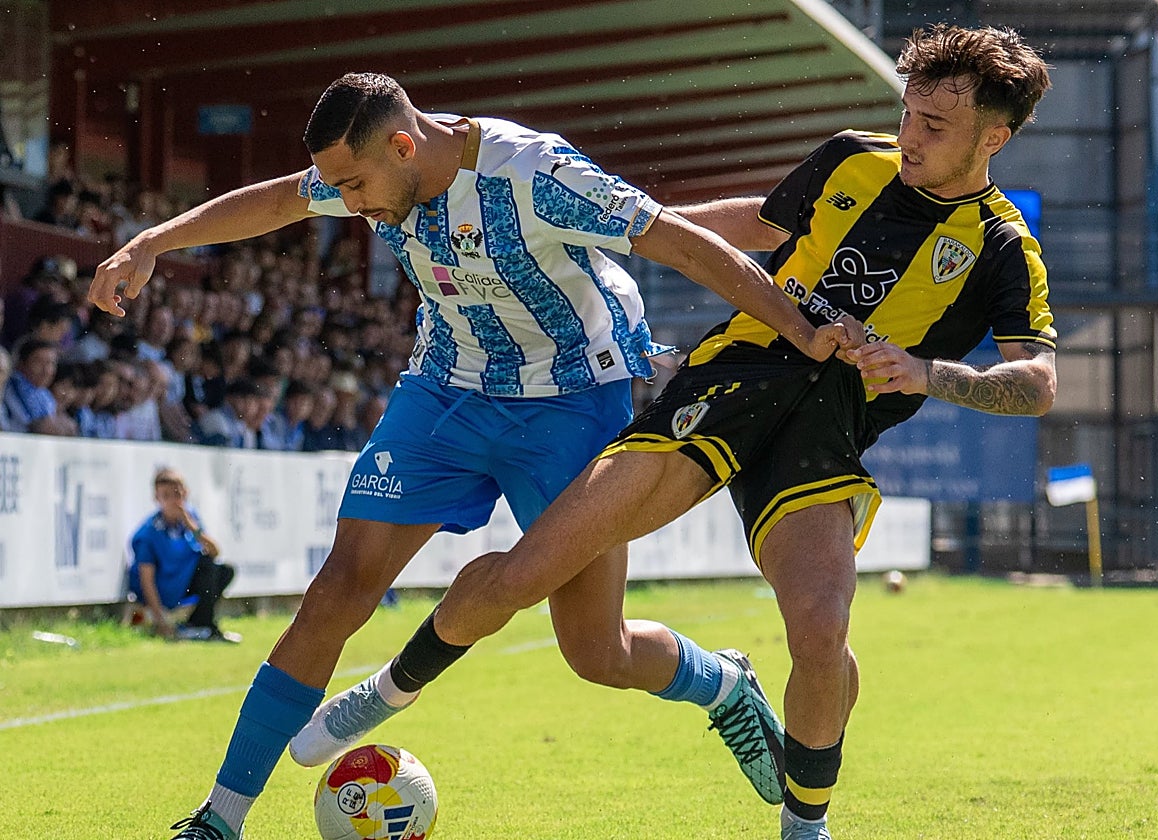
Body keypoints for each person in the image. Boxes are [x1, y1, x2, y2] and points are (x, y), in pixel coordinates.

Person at [298, 25, 1057, 840]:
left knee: (822, 630)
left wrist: (927, 373)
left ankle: (805, 826)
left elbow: (1038, 384)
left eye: (933, 126)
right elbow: (760, 224)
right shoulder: (851, 158)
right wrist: (627, 231)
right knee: (530, 570)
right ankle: (391, 689)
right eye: (907, 113)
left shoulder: (1004, 247)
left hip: (825, 432)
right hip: (727, 383)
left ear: (993, 137)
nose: (909, 134)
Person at [86, 72, 852, 840]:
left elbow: (680, 241)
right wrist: (152, 242)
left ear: (403, 146)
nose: (348, 203)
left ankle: (720, 684)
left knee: (596, 650)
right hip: (445, 393)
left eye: (354, 186)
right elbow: (283, 198)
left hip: (571, 404)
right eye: (338, 188)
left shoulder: (535, 173)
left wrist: (798, 329)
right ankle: (218, 821)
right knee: (337, 592)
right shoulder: (367, 172)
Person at [128, 468, 240, 643]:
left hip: (183, 584)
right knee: (208, 566)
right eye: (166, 496)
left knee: (221, 569)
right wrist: (160, 621)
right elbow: (146, 580)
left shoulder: (190, 518)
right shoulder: (148, 534)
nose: (173, 501)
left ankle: (200, 624)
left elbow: (215, 552)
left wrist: (192, 527)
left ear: (186, 493)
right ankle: (199, 626)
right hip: (164, 592)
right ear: (156, 498)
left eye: (177, 494)